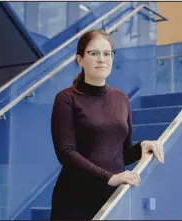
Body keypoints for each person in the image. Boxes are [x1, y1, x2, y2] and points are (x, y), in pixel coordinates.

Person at [50, 29, 164, 220]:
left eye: (107, 53)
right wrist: (109, 177)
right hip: (75, 199)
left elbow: (122, 154)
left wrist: (142, 146)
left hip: (113, 198)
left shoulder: (121, 99)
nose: (101, 59)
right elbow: (66, 153)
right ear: (80, 60)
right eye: (93, 53)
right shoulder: (66, 99)